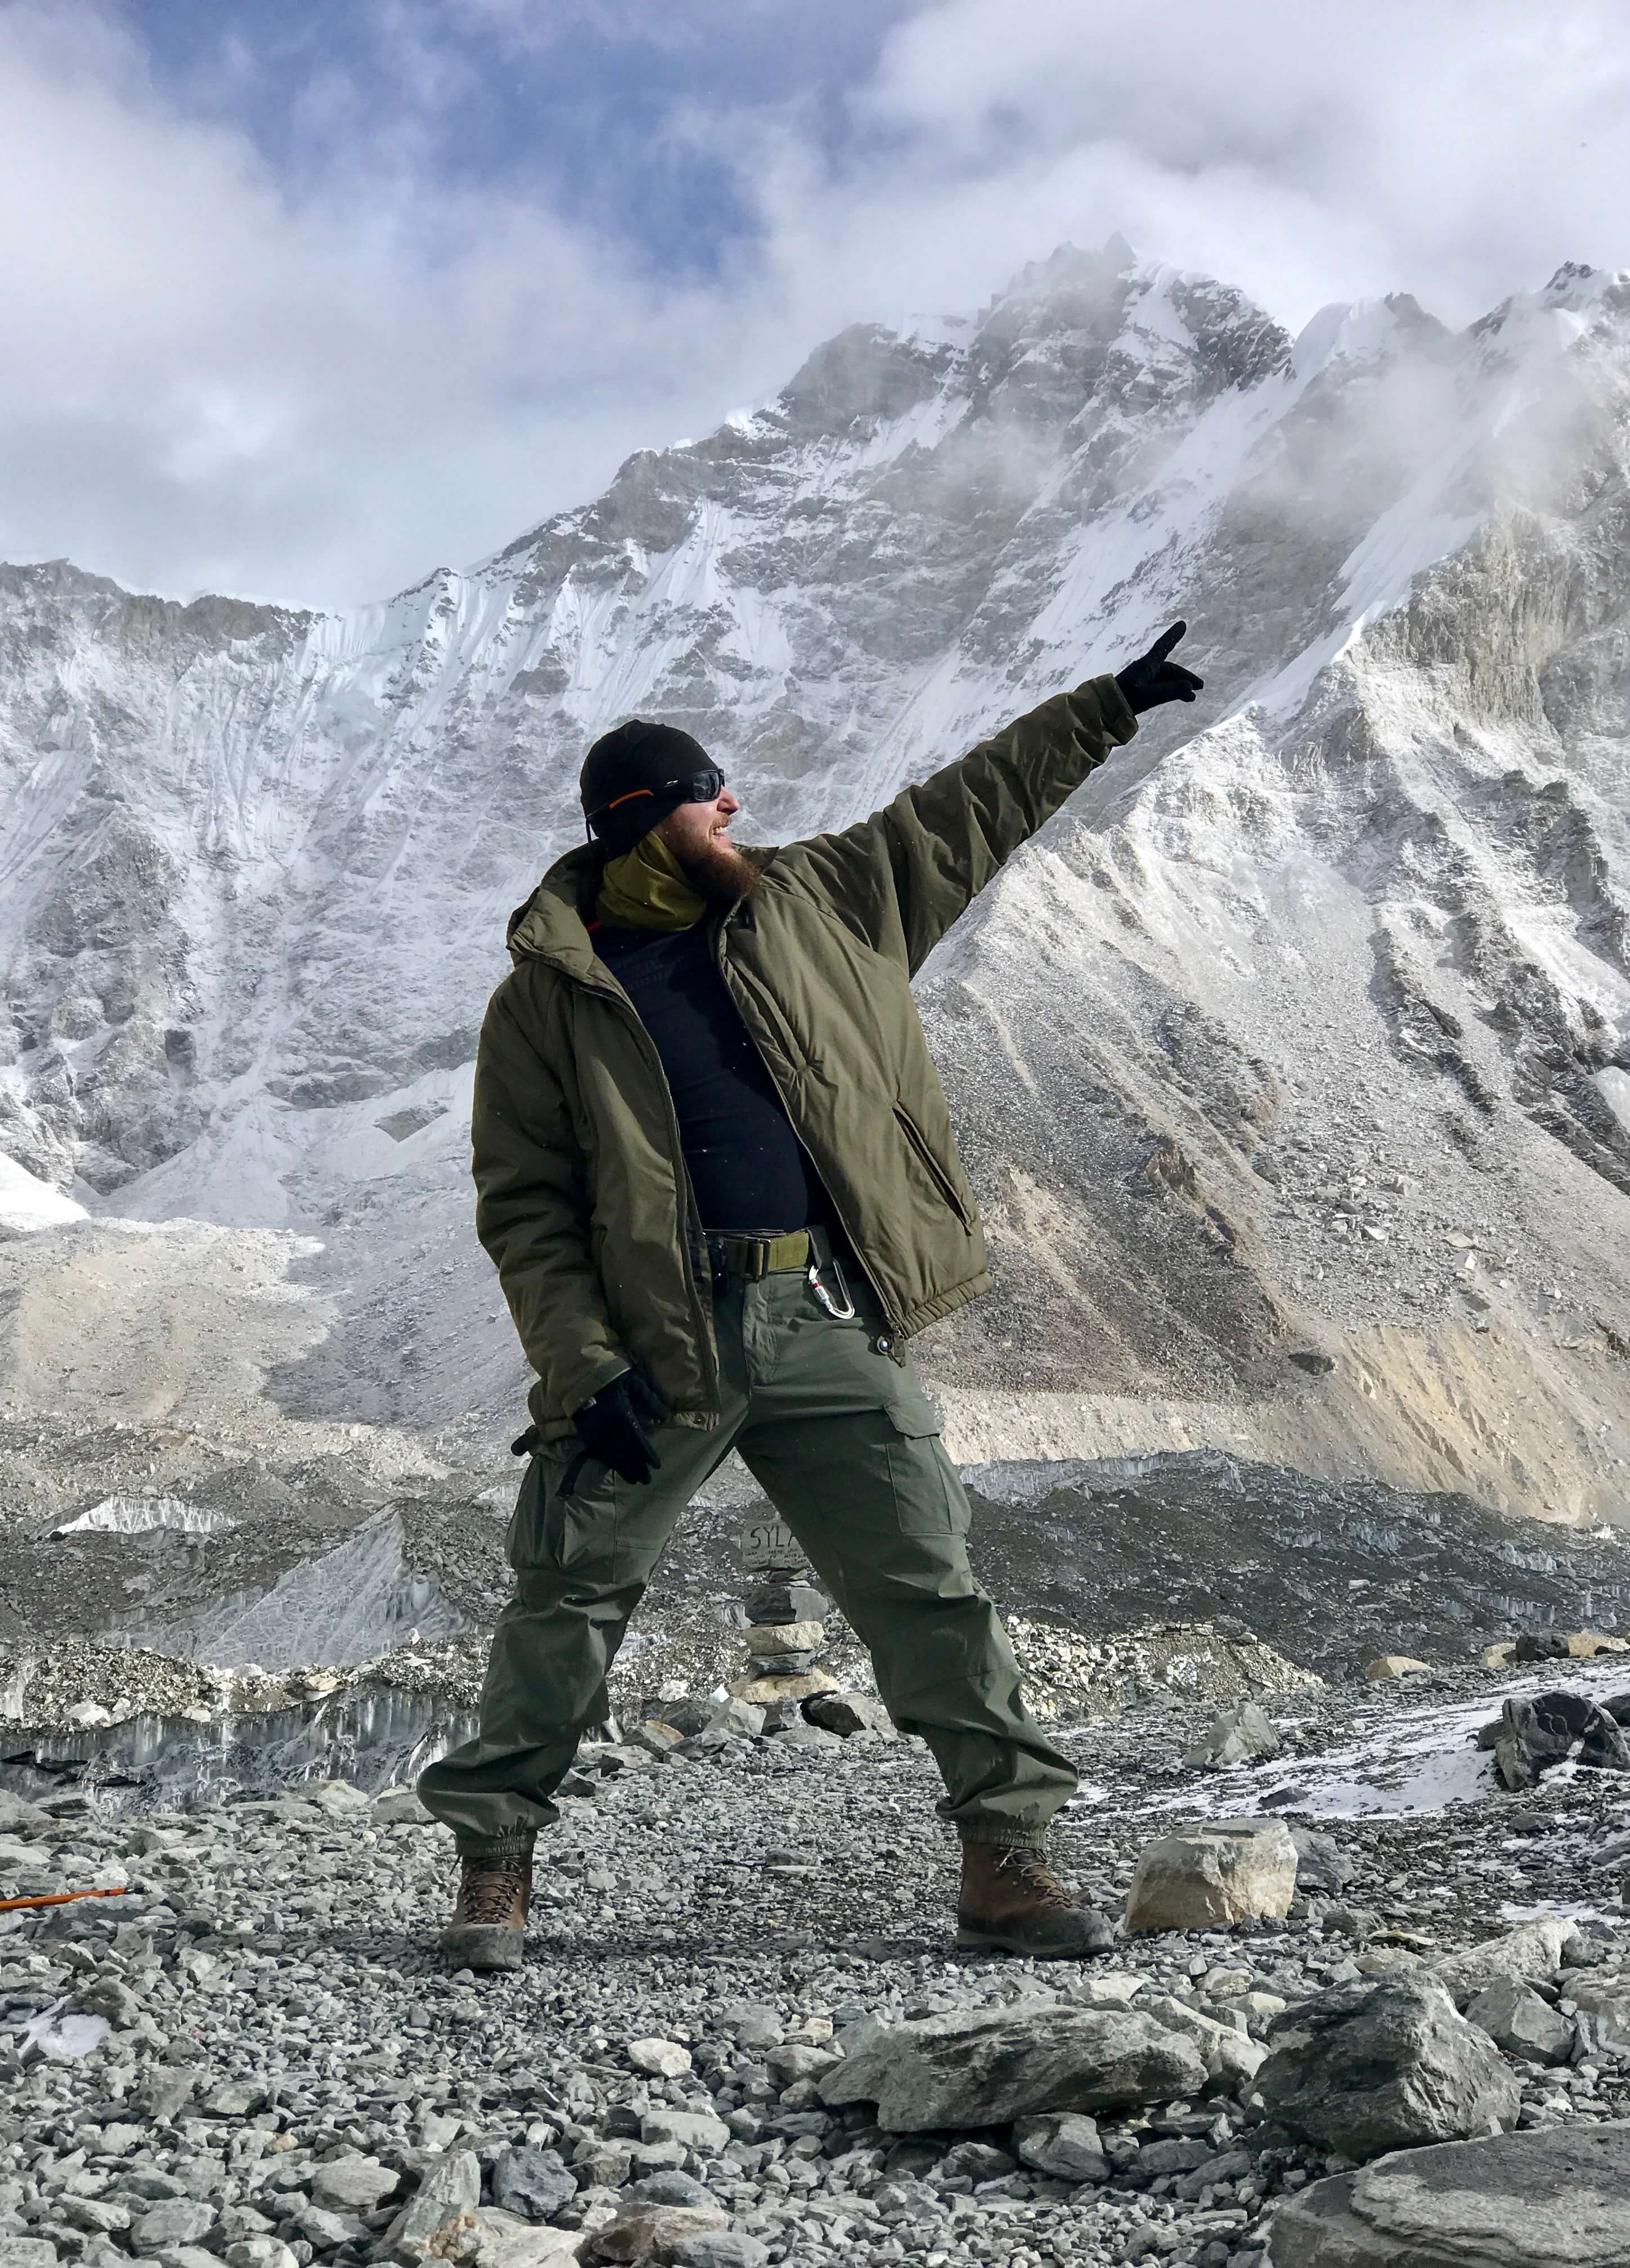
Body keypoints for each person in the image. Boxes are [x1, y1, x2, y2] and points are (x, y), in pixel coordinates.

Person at [417, 626, 1205, 1969]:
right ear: (648, 817)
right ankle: (495, 1865)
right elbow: (528, 1209)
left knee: (927, 1583)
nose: (734, 804)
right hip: (665, 1347)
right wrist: (578, 1365)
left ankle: (1005, 1859)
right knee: (568, 1593)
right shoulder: (548, 1001)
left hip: (829, 1315)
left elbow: (967, 809)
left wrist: (1108, 706)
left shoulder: (827, 898)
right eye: (707, 789)